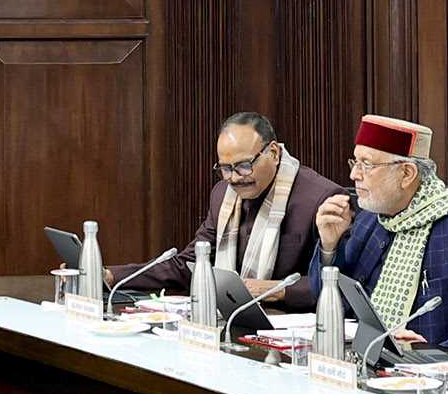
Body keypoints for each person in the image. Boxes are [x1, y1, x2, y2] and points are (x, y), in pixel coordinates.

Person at [304, 115, 448, 352]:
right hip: (365, 358)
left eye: (367, 165)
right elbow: (330, 302)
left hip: (437, 372)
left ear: (406, 174)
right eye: (355, 163)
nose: (354, 175)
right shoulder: (371, 218)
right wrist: (329, 247)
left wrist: (438, 349)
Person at [137, 112, 347, 311]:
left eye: (244, 166)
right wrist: (111, 276)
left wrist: (278, 290)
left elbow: (340, 281)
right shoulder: (222, 195)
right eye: (225, 169)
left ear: (273, 153)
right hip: (232, 319)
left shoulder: (320, 198)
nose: (234, 178)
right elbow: (190, 264)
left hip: (293, 330)